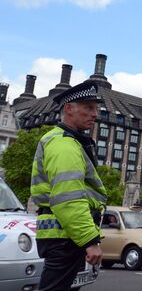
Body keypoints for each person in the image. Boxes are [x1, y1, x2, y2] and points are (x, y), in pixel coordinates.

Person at [30, 81, 107, 291]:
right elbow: (68, 197)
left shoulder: (70, 141)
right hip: (64, 236)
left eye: (96, 109)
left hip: (65, 234)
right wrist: (90, 241)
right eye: (89, 108)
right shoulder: (64, 145)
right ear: (69, 108)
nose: (95, 114)